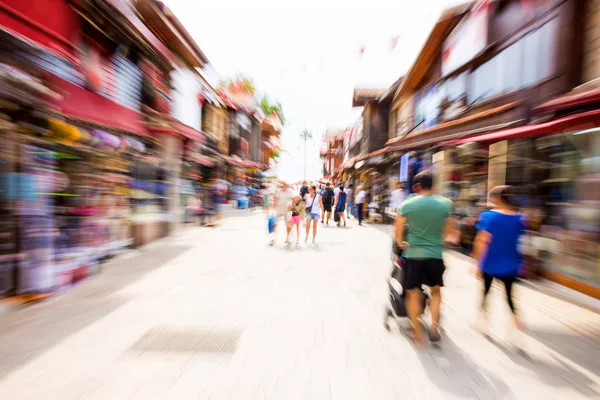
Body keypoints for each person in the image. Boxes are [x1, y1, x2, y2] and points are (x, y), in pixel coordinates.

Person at [394, 171, 454, 345]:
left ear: (417, 187)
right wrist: (436, 240)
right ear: (434, 186)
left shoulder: (408, 205)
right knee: (436, 292)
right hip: (435, 255)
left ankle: (418, 333)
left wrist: (401, 242)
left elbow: (398, 231)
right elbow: (447, 232)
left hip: (413, 255)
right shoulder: (444, 206)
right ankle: (434, 327)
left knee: (413, 294)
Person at [471, 186, 526, 336]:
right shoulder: (519, 218)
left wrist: (477, 262)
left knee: (486, 292)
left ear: (496, 199)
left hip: (490, 262)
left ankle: (484, 323)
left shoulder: (488, 217)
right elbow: (521, 241)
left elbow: (482, 240)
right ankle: (515, 321)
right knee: (509, 296)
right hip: (511, 264)